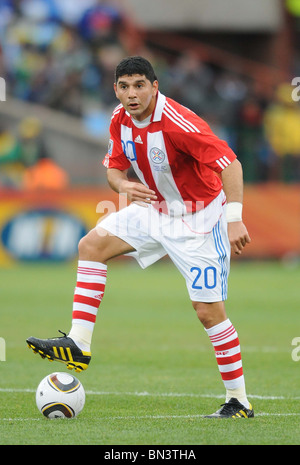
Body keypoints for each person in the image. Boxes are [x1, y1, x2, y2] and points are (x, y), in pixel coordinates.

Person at [27, 56, 253, 419]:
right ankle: (79, 343)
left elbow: (231, 164)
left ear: (154, 87)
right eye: (124, 86)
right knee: (91, 246)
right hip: (154, 210)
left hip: (199, 220)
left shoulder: (178, 123)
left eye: (139, 85)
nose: (131, 94)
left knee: (209, 314)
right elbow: (114, 169)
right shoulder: (119, 119)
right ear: (116, 89)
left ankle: (238, 401)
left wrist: (235, 219)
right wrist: (124, 186)